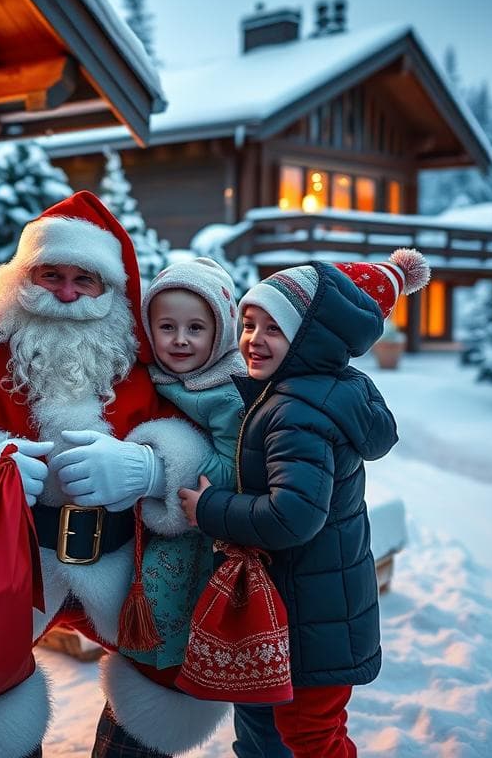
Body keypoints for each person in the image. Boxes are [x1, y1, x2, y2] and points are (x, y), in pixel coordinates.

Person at [0, 191, 228, 758]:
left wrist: (149, 467)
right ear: (21, 275)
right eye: (50, 274)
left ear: (110, 286)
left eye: (84, 279)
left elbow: (200, 434)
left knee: (159, 689)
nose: (65, 292)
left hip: (125, 558)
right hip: (14, 559)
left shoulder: (143, 344)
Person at [178, 250, 431, 758]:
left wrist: (211, 508)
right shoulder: (308, 391)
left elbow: (291, 516)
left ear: (310, 339)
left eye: (274, 328)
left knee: (309, 737)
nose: (253, 339)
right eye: (249, 324)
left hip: (308, 620)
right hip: (304, 608)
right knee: (263, 729)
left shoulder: (298, 412)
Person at [136, 258, 293, 756]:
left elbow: (236, 466)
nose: (180, 340)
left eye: (196, 328)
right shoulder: (153, 376)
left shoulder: (227, 392)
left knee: (181, 608)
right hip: (164, 523)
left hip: (209, 525)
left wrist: (168, 467)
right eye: (167, 327)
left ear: (221, 332)